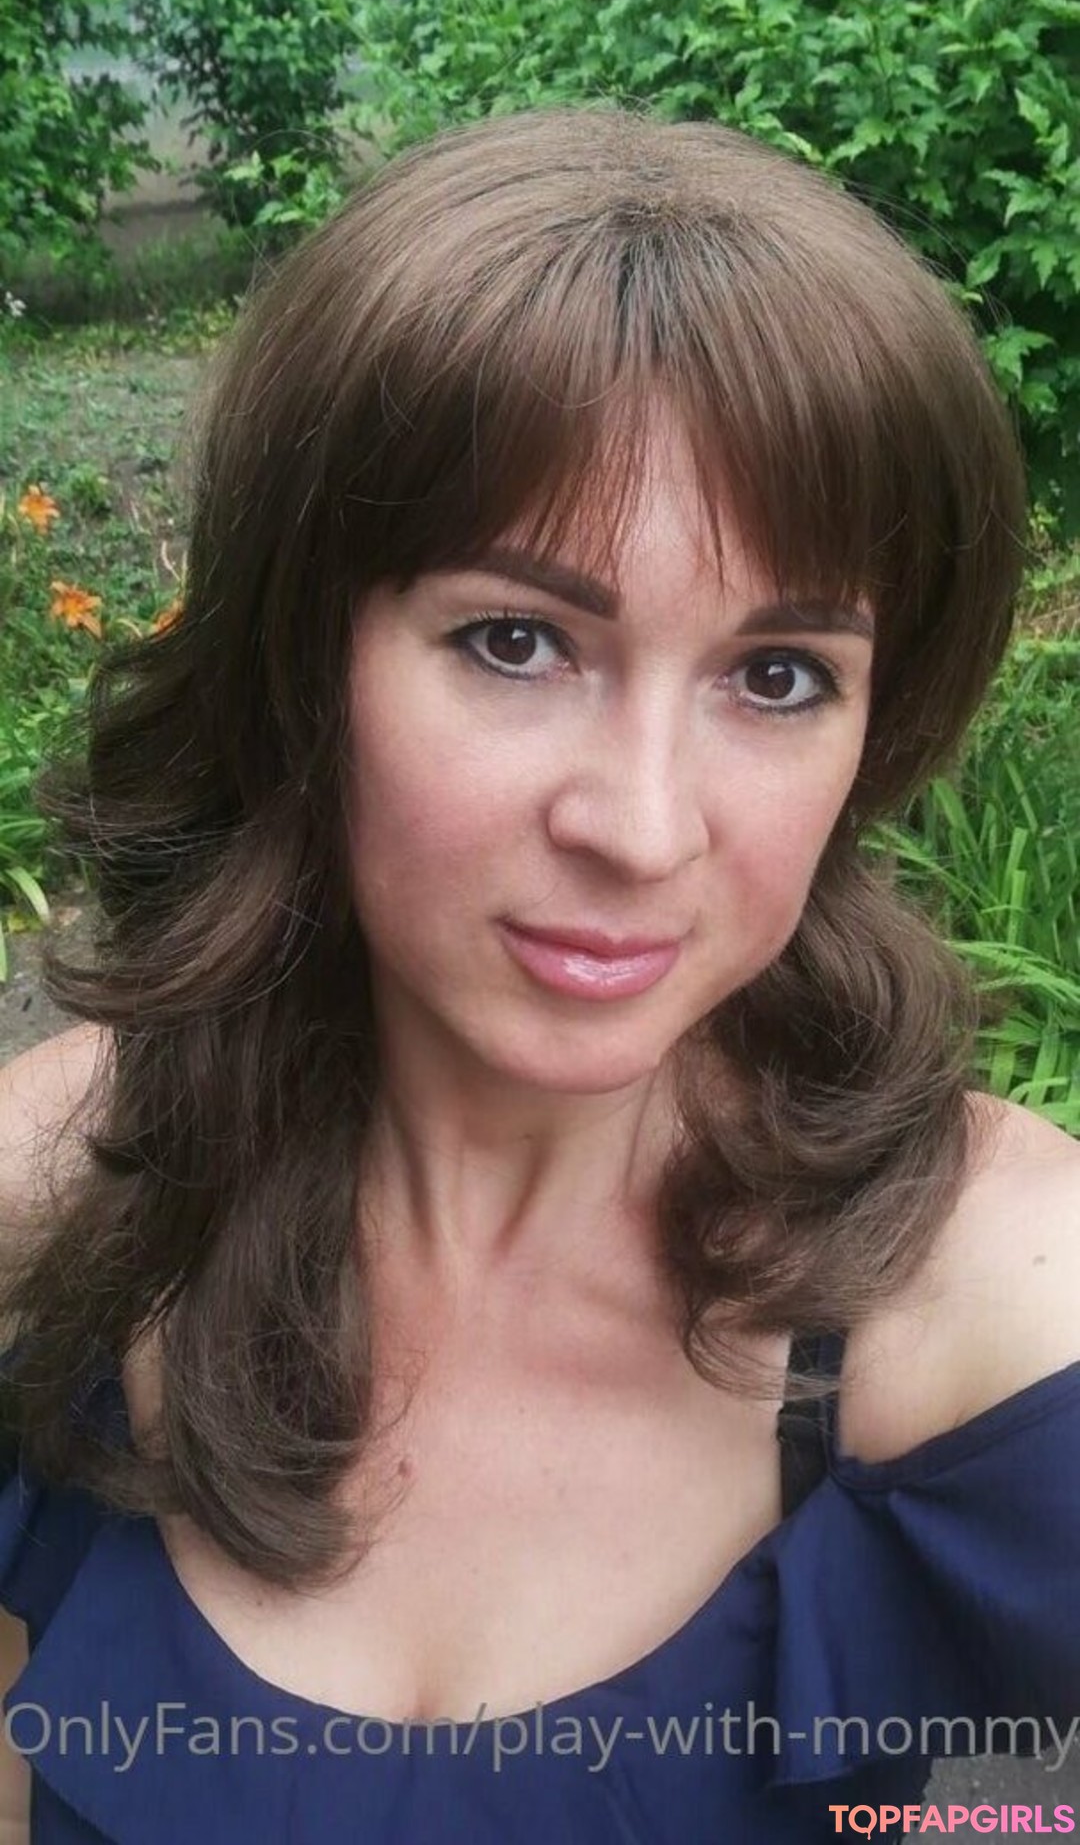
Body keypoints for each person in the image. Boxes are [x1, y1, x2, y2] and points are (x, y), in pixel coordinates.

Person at [0, 102, 1076, 1845]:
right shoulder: (68, 1199)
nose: (642, 827)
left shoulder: (1002, 1308)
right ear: (301, 659)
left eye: (779, 675)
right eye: (516, 640)